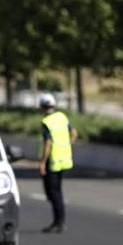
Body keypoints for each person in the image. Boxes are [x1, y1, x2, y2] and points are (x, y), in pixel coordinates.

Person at [39, 94, 78, 234]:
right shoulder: (62, 117)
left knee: (53, 193)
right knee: (57, 191)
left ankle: (58, 221)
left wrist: (43, 163)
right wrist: (66, 146)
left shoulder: (47, 122)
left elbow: (48, 143)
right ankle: (58, 220)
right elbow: (74, 133)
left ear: (42, 107)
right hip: (64, 159)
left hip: (53, 161)